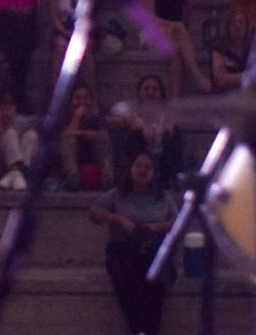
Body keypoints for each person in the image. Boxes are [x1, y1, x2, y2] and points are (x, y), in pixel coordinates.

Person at [89, 152, 178, 335]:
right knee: (127, 278)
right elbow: (94, 213)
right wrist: (119, 220)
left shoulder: (163, 198)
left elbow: (178, 222)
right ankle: (139, 330)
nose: (142, 170)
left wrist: (156, 227)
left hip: (153, 246)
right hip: (123, 247)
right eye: (138, 165)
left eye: (148, 167)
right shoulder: (117, 195)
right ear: (130, 169)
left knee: (156, 281)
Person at [141, 0, 213, 96]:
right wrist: (170, 25)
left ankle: (175, 99)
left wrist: (187, 7)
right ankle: (197, 76)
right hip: (152, 31)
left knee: (175, 51)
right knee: (176, 32)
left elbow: (184, 24)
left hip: (175, 35)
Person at [116, 75, 183, 191]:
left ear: (161, 94)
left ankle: (172, 180)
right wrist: (142, 125)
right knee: (134, 134)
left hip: (163, 160)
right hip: (141, 157)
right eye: (146, 89)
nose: (150, 92)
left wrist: (169, 126)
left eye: (155, 89)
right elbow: (123, 112)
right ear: (139, 93)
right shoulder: (133, 112)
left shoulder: (167, 114)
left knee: (174, 134)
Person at [47, 0, 98, 95]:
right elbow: (54, 15)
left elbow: (91, 15)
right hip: (62, 29)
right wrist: (64, 30)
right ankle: (58, 96)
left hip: (83, 31)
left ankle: (90, 95)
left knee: (84, 47)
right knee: (61, 46)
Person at [58, 83, 114, 191]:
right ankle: (72, 180)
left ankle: (108, 181)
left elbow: (104, 135)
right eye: (77, 98)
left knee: (102, 139)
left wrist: (85, 134)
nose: (82, 102)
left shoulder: (97, 118)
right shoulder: (63, 117)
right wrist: (77, 117)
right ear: (70, 101)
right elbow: (66, 134)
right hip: (69, 158)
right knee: (68, 140)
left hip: (92, 154)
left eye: (85, 98)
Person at [210, 9, 251, 94]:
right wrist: (245, 76)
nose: (237, 26)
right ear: (228, 27)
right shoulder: (219, 50)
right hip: (224, 96)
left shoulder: (252, 50)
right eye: (233, 23)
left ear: (246, 26)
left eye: (241, 22)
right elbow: (220, 79)